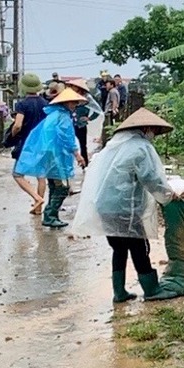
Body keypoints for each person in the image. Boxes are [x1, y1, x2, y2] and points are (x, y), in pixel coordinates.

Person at [72, 108, 178, 303]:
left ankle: (119, 291)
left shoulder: (114, 146)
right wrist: (168, 195)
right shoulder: (140, 147)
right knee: (139, 247)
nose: (153, 134)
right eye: (153, 130)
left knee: (119, 249)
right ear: (146, 128)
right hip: (125, 207)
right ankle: (152, 289)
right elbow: (150, 178)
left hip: (104, 205)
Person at [14, 88, 86, 228]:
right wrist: (77, 154)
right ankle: (50, 215)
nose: (74, 105)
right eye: (72, 102)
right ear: (66, 103)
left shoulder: (53, 115)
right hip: (58, 155)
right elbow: (67, 138)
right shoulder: (63, 117)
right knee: (62, 187)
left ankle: (51, 215)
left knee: (54, 184)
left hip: (50, 154)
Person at [9, 73, 49, 213]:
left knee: (17, 174)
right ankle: (38, 209)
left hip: (27, 143)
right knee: (41, 175)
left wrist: (13, 134)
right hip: (42, 143)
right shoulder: (45, 104)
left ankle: (37, 198)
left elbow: (18, 125)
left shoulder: (22, 104)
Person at [64, 78, 102, 166]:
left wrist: (89, 118)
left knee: (82, 145)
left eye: (74, 86)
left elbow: (97, 110)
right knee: (69, 144)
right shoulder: (70, 96)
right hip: (70, 123)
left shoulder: (87, 98)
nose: (72, 88)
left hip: (81, 125)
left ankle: (85, 165)